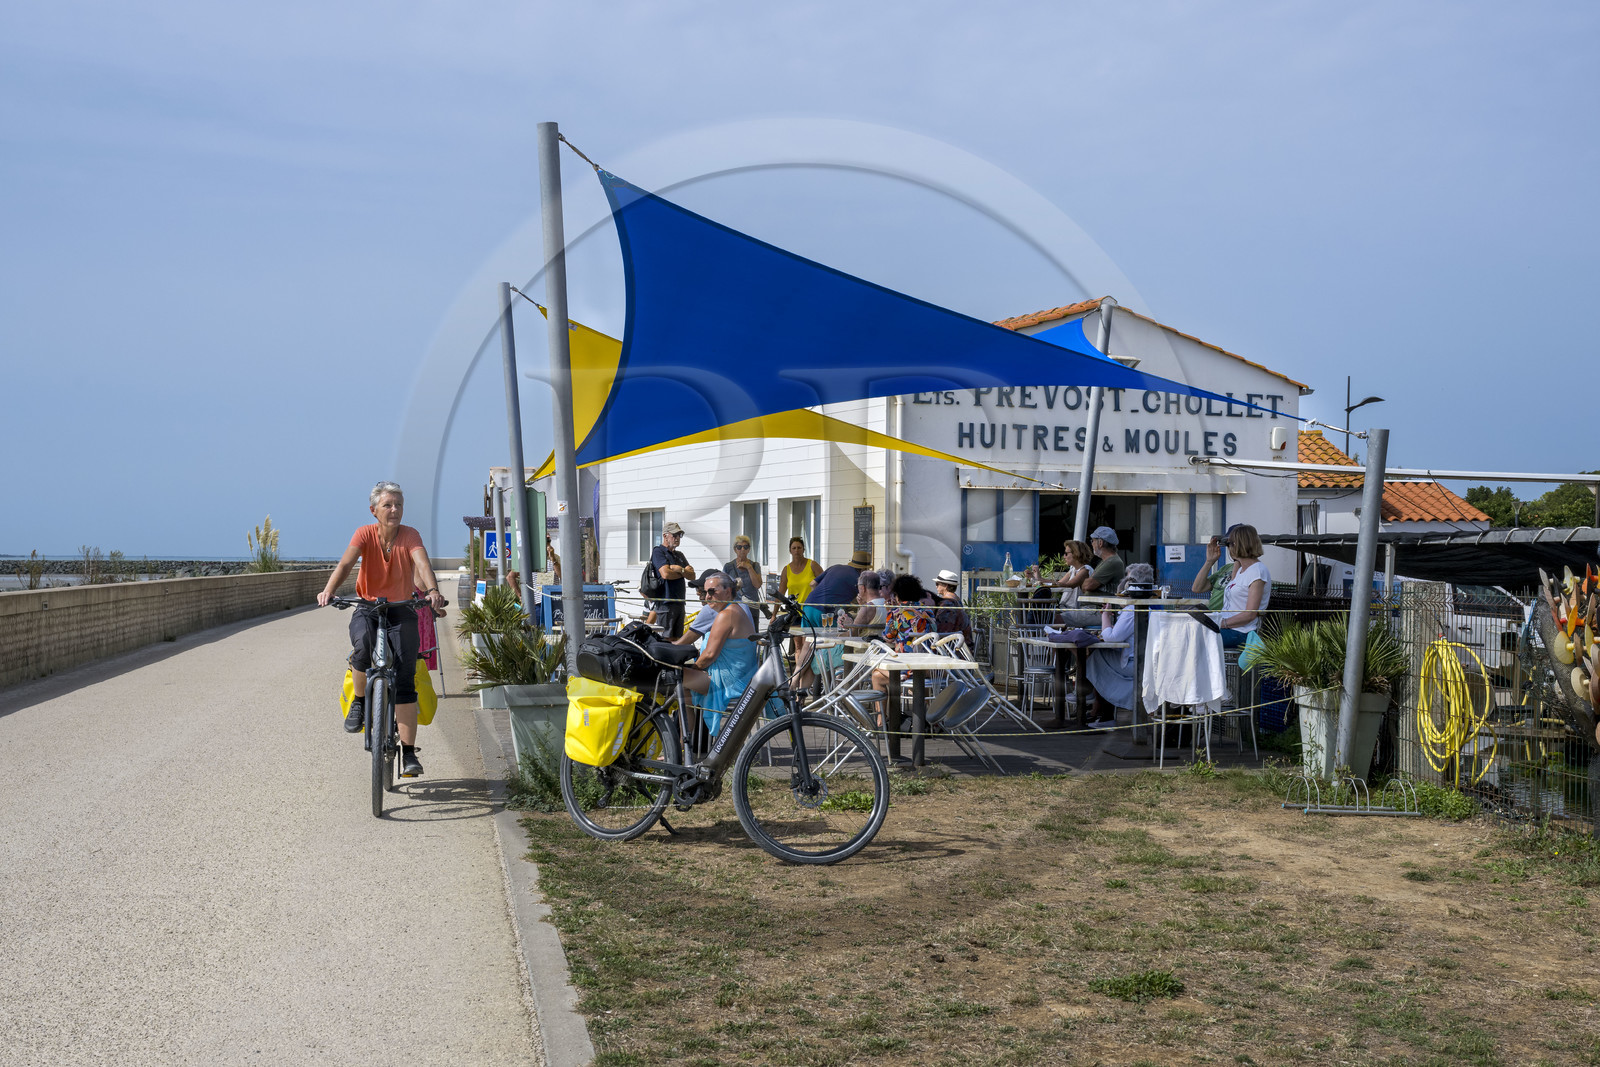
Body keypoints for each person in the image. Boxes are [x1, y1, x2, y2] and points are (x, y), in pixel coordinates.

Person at [319, 481, 448, 778]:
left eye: (398, 505)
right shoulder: (364, 534)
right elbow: (345, 564)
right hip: (368, 606)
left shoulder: (410, 535)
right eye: (387, 505)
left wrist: (432, 591)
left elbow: (422, 563)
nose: (394, 510)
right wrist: (329, 590)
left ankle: (409, 753)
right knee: (362, 645)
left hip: (402, 608)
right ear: (374, 510)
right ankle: (360, 702)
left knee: (404, 676)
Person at [682, 572, 782, 735]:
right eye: (705, 592)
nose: (707, 597)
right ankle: (691, 741)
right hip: (744, 677)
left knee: (677, 681)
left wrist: (693, 669)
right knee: (683, 683)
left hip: (730, 683)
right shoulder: (737, 608)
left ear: (728, 592)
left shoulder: (726, 615)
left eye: (712, 591)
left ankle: (683, 744)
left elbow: (709, 656)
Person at [1083, 563, 1156, 729]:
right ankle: (1100, 708)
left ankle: (1094, 699)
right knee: (1099, 657)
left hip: (1134, 663)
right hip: (1146, 661)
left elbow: (1111, 638)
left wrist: (1105, 616)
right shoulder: (1148, 606)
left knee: (1095, 657)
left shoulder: (1131, 610)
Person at [1214, 524, 1270, 649]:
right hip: (1229, 628)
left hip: (1241, 632)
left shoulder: (1257, 572)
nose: (1228, 548)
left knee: (1197, 638)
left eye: (1229, 544)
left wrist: (1220, 623)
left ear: (1238, 545)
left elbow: (1249, 615)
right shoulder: (1241, 570)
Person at [651, 521, 696, 640]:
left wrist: (680, 569)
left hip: (679, 602)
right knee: (666, 639)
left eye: (679, 535)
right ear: (665, 536)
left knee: (678, 638)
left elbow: (692, 576)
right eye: (674, 535)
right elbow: (665, 574)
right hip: (666, 603)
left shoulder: (679, 555)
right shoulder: (658, 551)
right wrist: (684, 573)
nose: (677, 538)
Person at [1052, 539, 1099, 627]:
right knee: (1046, 615)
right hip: (1068, 608)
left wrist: (1044, 582)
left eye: (1066, 553)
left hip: (1079, 610)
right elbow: (1058, 584)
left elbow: (1069, 585)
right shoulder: (1073, 570)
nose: (1064, 556)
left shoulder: (1085, 570)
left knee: (1053, 619)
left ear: (1075, 554)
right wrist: (1037, 578)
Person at [1190, 526, 1238, 610]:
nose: (1230, 549)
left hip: (1227, 616)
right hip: (1211, 614)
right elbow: (1197, 588)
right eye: (1228, 545)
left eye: (1232, 544)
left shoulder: (1251, 570)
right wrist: (1209, 562)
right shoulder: (1226, 568)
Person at [932, 568, 974, 649]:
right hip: (963, 646)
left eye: (937, 584)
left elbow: (943, 630)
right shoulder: (957, 600)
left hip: (954, 649)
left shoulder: (947, 603)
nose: (936, 586)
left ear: (945, 586)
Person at [841, 569, 890, 634]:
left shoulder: (868, 608)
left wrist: (849, 625)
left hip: (868, 640)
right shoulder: (887, 603)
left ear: (863, 588)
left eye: (857, 586)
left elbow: (853, 634)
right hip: (882, 640)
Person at [1080, 526, 1126, 596]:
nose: (1092, 544)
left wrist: (1088, 582)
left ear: (1100, 543)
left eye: (1093, 541)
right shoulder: (1106, 561)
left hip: (1101, 603)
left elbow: (1087, 586)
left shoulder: (1112, 562)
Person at [781, 537, 823, 609]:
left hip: (811, 610)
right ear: (790, 551)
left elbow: (825, 585)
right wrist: (774, 614)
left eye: (799, 548)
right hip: (794, 612)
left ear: (803, 550)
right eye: (794, 548)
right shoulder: (786, 570)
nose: (796, 550)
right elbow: (780, 594)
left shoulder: (812, 565)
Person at [723, 534, 763, 602]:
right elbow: (723, 586)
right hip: (734, 604)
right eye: (739, 547)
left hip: (752, 604)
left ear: (749, 549)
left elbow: (758, 585)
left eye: (745, 547)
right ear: (735, 549)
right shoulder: (728, 566)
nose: (742, 549)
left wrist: (749, 567)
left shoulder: (755, 565)